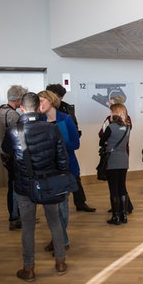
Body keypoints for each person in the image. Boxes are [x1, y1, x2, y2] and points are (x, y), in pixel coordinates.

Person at [2, 92, 68, 282]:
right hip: (49, 184)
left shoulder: (14, 131)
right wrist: (60, 177)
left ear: (21, 108)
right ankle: (60, 262)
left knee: (28, 227)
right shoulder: (52, 129)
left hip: (25, 185)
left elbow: (6, 153)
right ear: (40, 107)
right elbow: (62, 158)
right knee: (54, 222)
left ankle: (29, 268)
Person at [38, 90, 77, 253]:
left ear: (51, 101)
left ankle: (62, 240)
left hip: (65, 168)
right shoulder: (40, 121)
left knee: (62, 207)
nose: (39, 105)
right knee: (51, 209)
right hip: (47, 170)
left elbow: (75, 143)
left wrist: (56, 147)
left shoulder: (66, 119)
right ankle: (58, 238)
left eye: (42, 101)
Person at [46, 84, 96, 212]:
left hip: (67, 152)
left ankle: (80, 202)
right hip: (51, 157)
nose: (58, 100)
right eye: (56, 97)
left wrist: (74, 135)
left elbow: (74, 126)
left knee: (74, 177)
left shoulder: (66, 110)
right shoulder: (42, 114)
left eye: (60, 97)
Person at [0, 84, 28, 230]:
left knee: (12, 185)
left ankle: (16, 215)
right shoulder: (14, 115)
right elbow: (20, 138)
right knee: (15, 186)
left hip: (5, 154)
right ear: (19, 99)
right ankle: (15, 217)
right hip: (13, 156)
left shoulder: (1, 110)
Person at [99, 96, 134, 214]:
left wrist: (107, 140)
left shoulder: (110, 125)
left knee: (114, 188)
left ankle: (116, 215)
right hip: (124, 157)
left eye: (111, 107)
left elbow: (101, 138)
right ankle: (124, 213)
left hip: (112, 158)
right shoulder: (127, 126)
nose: (109, 110)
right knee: (122, 186)